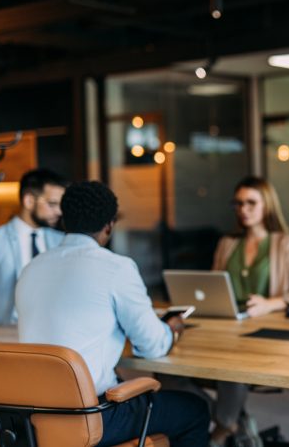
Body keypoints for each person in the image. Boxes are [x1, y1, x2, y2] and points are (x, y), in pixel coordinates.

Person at [16, 181, 209, 447]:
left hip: (31, 419)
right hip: (90, 417)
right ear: (109, 225)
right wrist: (171, 329)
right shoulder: (116, 268)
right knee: (194, 410)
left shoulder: (31, 269)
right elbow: (152, 346)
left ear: (64, 222)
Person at [210, 176, 289, 446]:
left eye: (251, 203)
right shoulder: (227, 244)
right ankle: (231, 420)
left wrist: (269, 304)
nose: (244, 209)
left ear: (267, 205)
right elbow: (213, 287)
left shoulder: (287, 243)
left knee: (231, 365)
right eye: (239, 203)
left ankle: (223, 426)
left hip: (266, 332)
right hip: (228, 326)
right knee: (168, 368)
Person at [0, 168, 67, 328]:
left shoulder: (61, 241)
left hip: (52, 336)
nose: (59, 212)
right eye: (52, 204)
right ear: (29, 200)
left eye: (60, 205)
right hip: (5, 339)